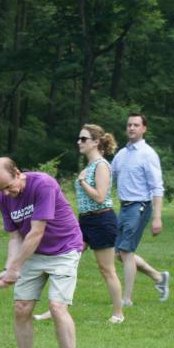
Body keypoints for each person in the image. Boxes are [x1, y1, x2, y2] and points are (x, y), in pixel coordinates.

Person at [0, 157, 84, 348]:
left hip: (64, 248)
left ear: (18, 173)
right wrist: (8, 268)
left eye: (8, 186)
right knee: (21, 307)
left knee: (57, 306)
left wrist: (16, 268)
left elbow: (36, 232)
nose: (5, 193)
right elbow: (15, 237)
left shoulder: (43, 184)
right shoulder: (3, 198)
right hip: (33, 253)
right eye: (0, 189)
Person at [111, 113, 170, 305]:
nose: (131, 128)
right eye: (129, 125)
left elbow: (157, 187)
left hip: (140, 207)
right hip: (124, 208)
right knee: (119, 253)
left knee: (126, 252)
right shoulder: (121, 154)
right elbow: (109, 177)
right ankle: (159, 278)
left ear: (144, 128)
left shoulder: (148, 154)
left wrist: (157, 218)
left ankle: (126, 299)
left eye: (136, 125)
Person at [74, 124, 124, 323]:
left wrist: (83, 182)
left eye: (84, 139)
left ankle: (118, 313)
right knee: (68, 264)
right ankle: (56, 309)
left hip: (101, 220)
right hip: (85, 221)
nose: (79, 142)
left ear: (95, 142)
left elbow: (100, 197)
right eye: (79, 139)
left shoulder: (101, 165)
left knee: (107, 269)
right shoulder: (88, 167)